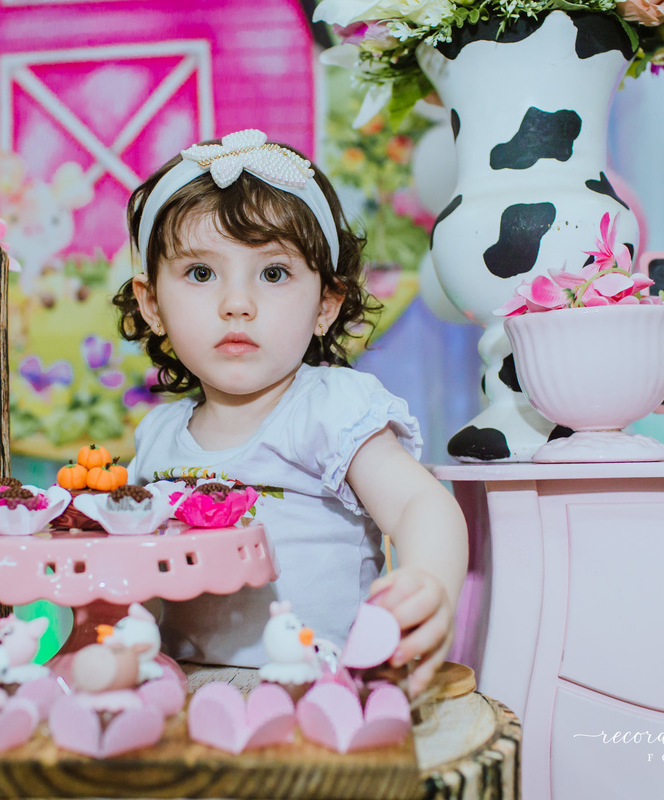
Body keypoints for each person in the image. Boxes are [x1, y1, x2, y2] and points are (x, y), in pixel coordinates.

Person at [114, 129, 468, 695]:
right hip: (179, 689)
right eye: (201, 274)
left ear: (325, 304)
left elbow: (417, 504)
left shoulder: (329, 409)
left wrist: (429, 584)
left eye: (273, 274)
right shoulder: (157, 436)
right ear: (151, 302)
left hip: (312, 685)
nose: (237, 304)